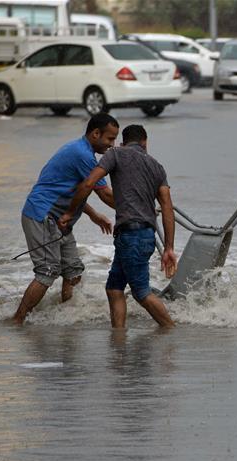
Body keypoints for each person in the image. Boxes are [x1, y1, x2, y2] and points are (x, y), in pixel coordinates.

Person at [58, 124, 177, 329]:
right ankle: (119, 337)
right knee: (114, 289)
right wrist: (168, 247)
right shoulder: (157, 166)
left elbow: (88, 184)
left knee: (141, 293)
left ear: (122, 142)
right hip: (142, 234)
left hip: (131, 236)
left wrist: (69, 212)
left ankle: (171, 331)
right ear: (145, 143)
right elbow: (167, 207)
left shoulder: (115, 154)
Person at [12, 114, 118, 325]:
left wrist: (95, 215)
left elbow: (75, 191)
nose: (112, 144)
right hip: (42, 215)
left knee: (73, 271)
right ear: (95, 134)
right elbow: (104, 193)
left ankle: (64, 318)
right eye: (110, 139)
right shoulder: (83, 156)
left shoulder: (80, 150)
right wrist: (138, 207)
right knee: (47, 271)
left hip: (58, 219)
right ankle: (17, 320)